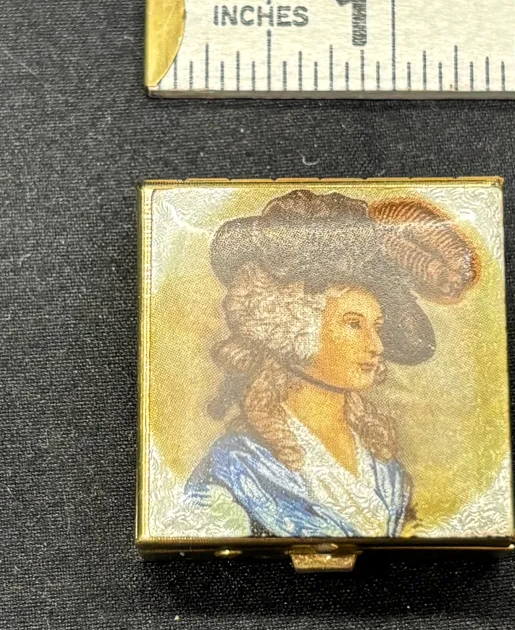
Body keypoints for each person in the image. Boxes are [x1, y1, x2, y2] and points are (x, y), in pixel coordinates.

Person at [185, 188, 480, 538]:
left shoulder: (386, 472)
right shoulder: (234, 467)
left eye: (377, 326)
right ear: (293, 325)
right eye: (353, 324)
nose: (377, 345)